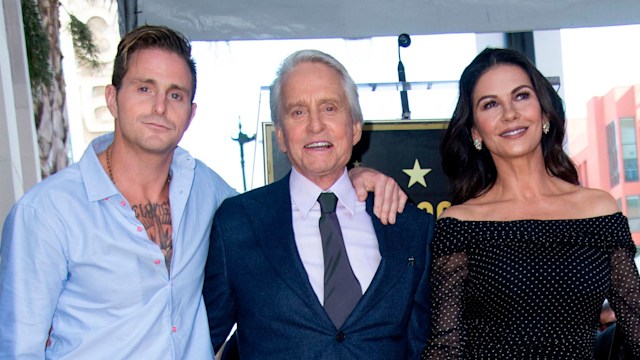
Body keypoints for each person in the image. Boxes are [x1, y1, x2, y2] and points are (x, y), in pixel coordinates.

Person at [0, 26, 406, 359]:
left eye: (175, 94)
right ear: (112, 98)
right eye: (144, 88)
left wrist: (354, 177)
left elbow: (294, 205)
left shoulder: (207, 191)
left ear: (191, 112)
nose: (160, 107)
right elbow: (19, 350)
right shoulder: (46, 214)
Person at [203, 49, 435, 359]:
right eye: (298, 111)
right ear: (281, 135)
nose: (316, 125)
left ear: (354, 127)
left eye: (329, 108)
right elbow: (201, 341)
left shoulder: (410, 227)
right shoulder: (236, 224)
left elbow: (425, 346)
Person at [421, 48, 640, 358]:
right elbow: (446, 347)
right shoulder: (460, 224)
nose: (509, 113)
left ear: (544, 112)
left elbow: (635, 325)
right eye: (491, 104)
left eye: (521, 96)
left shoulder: (598, 210)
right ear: (475, 132)